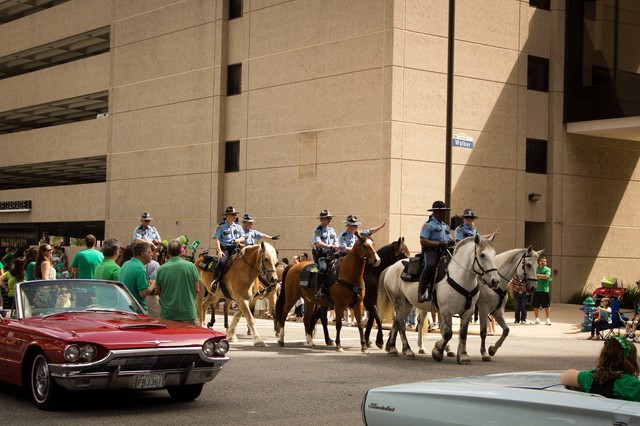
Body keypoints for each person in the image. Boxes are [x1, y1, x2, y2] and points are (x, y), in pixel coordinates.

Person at [560, 335, 640, 401]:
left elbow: (565, 376)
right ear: (631, 361)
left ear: (603, 357)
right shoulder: (631, 384)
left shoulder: (591, 377)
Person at [155, 239, 200, 324]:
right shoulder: (191, 266)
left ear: (168, 253)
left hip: (168, 315)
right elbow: (197, 289)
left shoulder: (161, 269)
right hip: (188, 313)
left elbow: (158, 291)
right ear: (181, 252)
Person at [417, 201, 455, 303]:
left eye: (445, 211)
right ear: (436, 212)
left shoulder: (445, 225)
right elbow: (423, 241)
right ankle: (421, 292)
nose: (445, 214)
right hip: (431, 252)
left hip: (444, 251)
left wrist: (451, 242)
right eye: (443, 211)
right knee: (430, 266)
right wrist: (439, 244)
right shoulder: (428, 225)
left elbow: (449, 239)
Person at [211, 206, 245, 290]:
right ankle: (215, 281)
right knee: (222, 262)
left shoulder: (238, 226)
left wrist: (238, 240)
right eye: (233, 214)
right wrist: (219, 251)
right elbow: (217, 239)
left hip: (236, 248)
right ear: (227, 216)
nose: (234, 216)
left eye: (235, 214)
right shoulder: (220, 226)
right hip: (225, 249)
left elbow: (243, 237)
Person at [119, 242, 155, 312]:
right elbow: (143, 293)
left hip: (124, 308)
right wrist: (153, 285)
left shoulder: (126, 264)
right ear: (143, 254)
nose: (152, 254)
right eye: (150, 252)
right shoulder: (140, 268)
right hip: (137, 311)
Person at [312, 209, 338, 299]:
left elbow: (337, 241)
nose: (329, 220)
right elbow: (318, 243)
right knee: (323, 269)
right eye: (327, 218)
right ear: (322, 219)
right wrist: (329, 246)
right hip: (321, 255)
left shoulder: (332, 230)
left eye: (330, 218)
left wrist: (336, 245)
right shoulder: (317, 230)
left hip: (332, 255)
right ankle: (318, 290)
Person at [532, 256, 552, 325]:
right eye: (542, 261)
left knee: (547, 306)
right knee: (536, 306)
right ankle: (537, 319)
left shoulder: (548, 269)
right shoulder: (536, 269)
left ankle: (547, 319)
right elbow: (534, 276)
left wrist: (538, 275)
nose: (543, 262)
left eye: (544, 261)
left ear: (546, 263)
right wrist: (541, 276)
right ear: (539, 262)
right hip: (536, 290)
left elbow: (546, 276)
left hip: (545, 290)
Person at [145, 246, 161, 318]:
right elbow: (153, 281)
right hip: (151, 297)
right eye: (155, 252)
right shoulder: (155, 264)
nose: (158, 254)